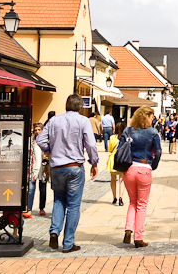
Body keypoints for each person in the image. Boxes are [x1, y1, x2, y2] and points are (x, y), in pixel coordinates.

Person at [36, 94, 99, 254]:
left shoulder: (54, 121)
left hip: (57, 167)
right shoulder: (83, 121)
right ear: (79, 106)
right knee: (73, 205)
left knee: (59, 200)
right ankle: (68, 243)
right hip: (74, 167)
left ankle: (54, 232)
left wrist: (51, 150)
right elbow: (91, 144)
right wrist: (94, 162)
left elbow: (40, 140)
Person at [118, 106, 162, 248]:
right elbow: (159, 152)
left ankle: (128, 230)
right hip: (144, 169)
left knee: (132, 202)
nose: (153, 119)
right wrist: (153, 165)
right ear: (146, 116)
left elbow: (120, 149)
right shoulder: (153, 132)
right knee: (142, 205)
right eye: (151, 116)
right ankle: (138, 237)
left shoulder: (128, 130)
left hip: (130, 169)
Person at [24, 122, 48, 218]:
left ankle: (42, 208)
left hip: (43, 168)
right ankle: (29, 210)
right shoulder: (31, 141)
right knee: (30, 190)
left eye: (39, 129)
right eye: (36, 130)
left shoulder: (46, 141)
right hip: (32, 168)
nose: (37, 131)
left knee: (42, 189)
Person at [107, 122, 126, 206]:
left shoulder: (112, 138)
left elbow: (110, 149)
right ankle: (121, 197)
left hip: (113, 159)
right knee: (122, 180)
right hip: (122, 159)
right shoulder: (126, 138)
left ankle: (114, 197)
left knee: (113, 179)